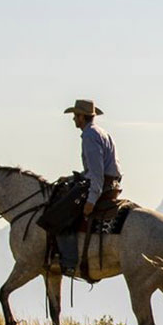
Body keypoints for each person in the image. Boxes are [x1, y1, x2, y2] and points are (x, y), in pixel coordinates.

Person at [65, 98, 122, 228]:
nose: (73, 119)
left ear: (81, 117)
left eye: (75, 116)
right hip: (112, 183)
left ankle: (69, 248)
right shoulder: (101, 132)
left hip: (103, 185)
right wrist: (71, 178)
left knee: (64, 215)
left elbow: (97, 173)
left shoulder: (89, 135)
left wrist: (91, 201)